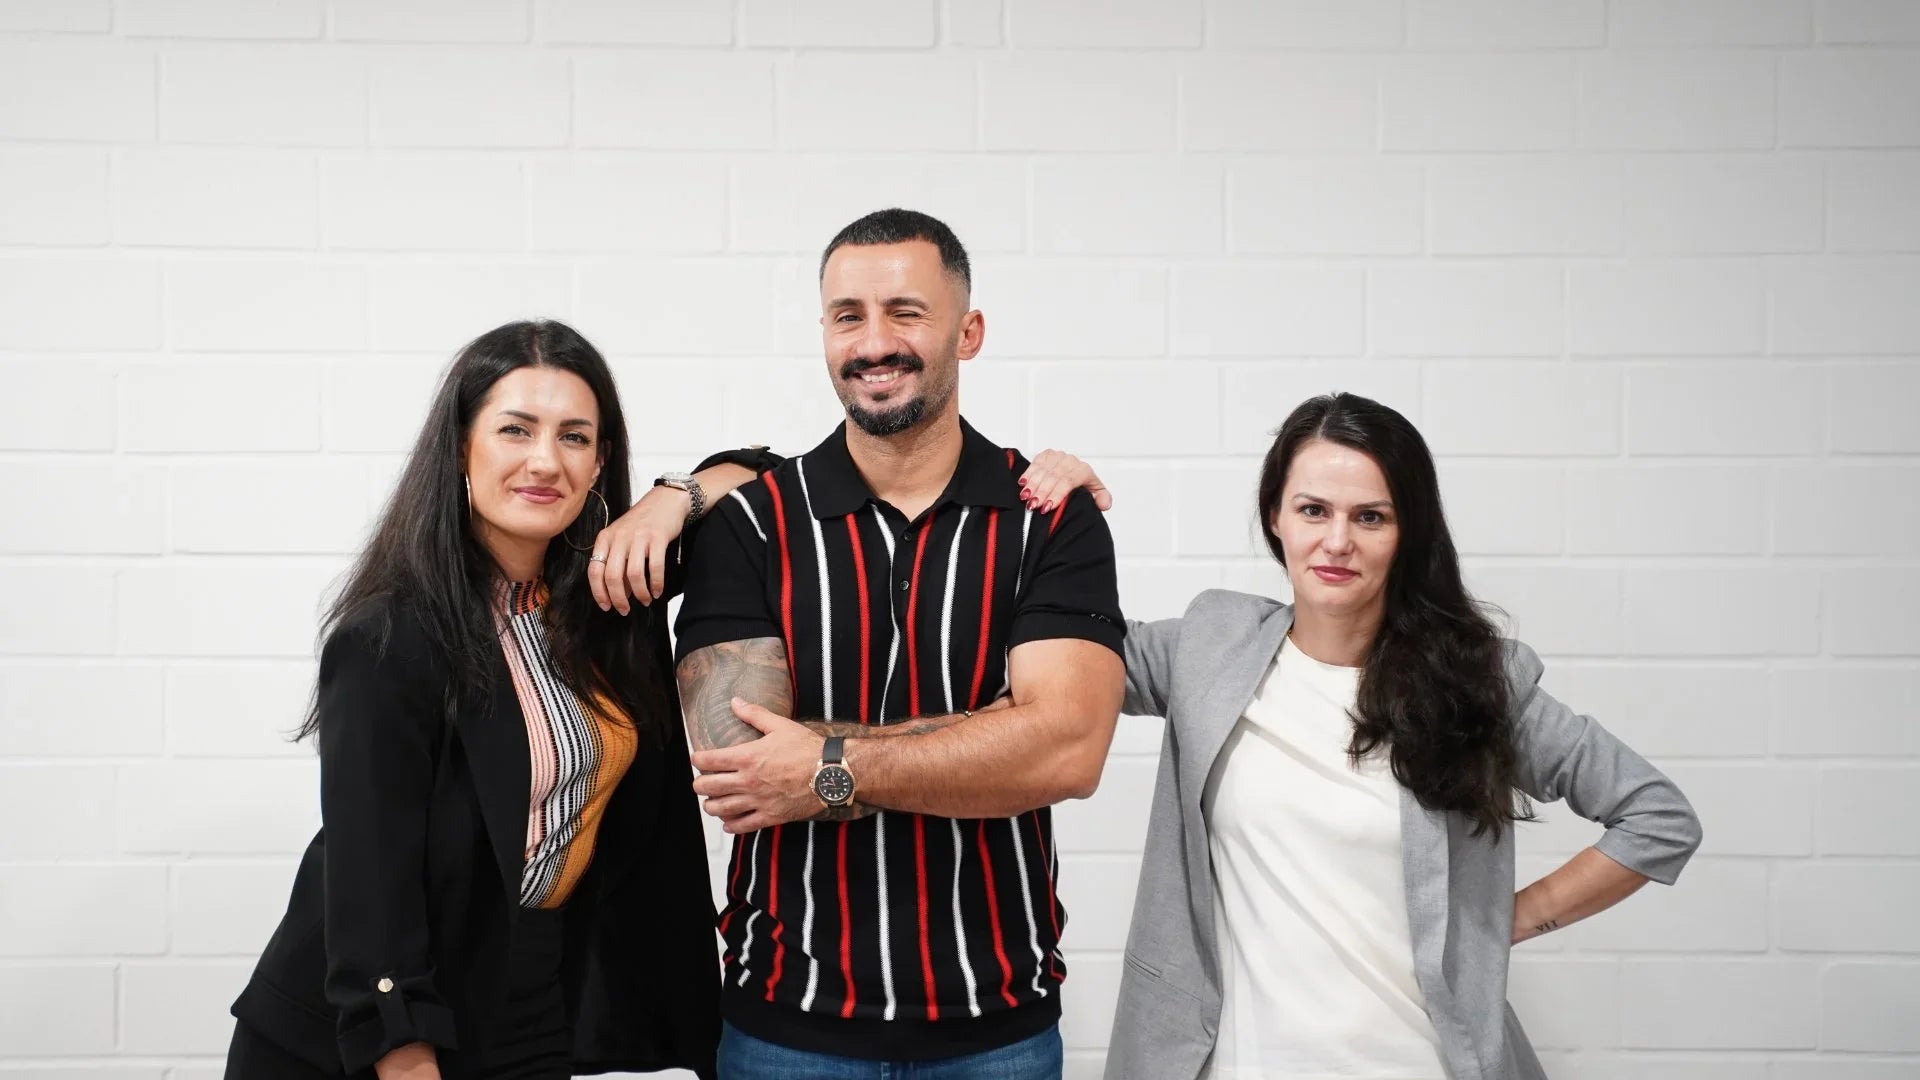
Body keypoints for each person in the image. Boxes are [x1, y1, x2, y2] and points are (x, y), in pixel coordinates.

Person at [1022, 393, 1704, 1080]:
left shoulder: (1477, 684)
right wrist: (1053, 517)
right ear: (1275, 516)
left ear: (1408, 533)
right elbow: (1046, 650)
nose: (1337, 541)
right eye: (1313, 510)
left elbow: (1657, 817)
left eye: (1370, 517)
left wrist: (1506, 924)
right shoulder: (1208, 647)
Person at [224, 320, 777, 1080]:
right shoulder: (388, 636)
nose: (545, 460)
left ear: (600, 461)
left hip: (529, 1001)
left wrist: (667, 499)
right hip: (369, 1028)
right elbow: (371, 885)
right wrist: (404, 1056)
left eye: (574, 437)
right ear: (462, 446)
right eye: (516, 430)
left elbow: (772, 479)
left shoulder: (610, 598)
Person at [657, 208, 1127, 1079]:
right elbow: (746, 774)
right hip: (784, 1031)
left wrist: (825, 765)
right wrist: (996, 732)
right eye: (849, 316)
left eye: (906, 312)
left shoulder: (1050, 519)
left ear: (968, 332)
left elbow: (1067, 752)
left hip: (998, 1033)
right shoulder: (749, 524)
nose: (875, 343)